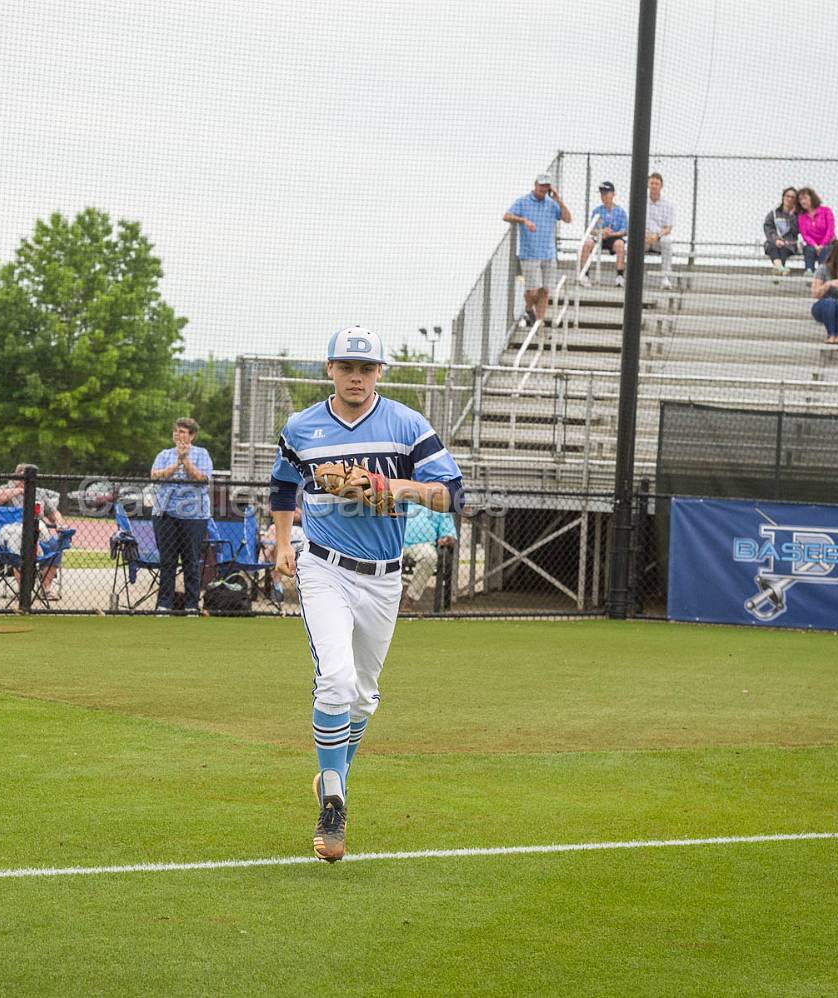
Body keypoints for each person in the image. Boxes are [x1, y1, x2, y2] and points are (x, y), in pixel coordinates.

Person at [268, 325, 463, 863]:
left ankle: (333, 775)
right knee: (335, 679)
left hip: (382, 576)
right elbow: (284, 485)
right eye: (346, 367)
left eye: (367, 368)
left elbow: (453, 496)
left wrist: (394, 488)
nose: (357, 377)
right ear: (329, 369)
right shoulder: (302, 427)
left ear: (380, 372)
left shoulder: (406, 424)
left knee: (363, 697)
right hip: (323, 567)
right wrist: (284, 541)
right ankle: (334, 803)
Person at [149, 417, 213, 614]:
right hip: (166, 514)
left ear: (192, 435)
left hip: (194, 516)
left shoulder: (202, 454)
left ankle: (192, 605)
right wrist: (177, 462)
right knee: (167, 561)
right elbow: (155, 475)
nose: (178, 435)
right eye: (176, 431)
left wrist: (186, 461)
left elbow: (202, 479)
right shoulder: (164, 454)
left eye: (183, 432)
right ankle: (164, 605)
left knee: (191, 561)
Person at [0, 463, 66, 600]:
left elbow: (53, 512)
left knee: (55, 545)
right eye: (22, 476)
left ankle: (46, 588)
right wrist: (19, 490)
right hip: (14, 533)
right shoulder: (6, 489)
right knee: (20, 545)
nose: (25, 479)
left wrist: (60, 523)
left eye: (27, 477)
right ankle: (24, 590)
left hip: (39, 533)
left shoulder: (39, 492)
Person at [503, 173, 572, 326]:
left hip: (548, 253)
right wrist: (523, 220)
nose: (543, 188)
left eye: (546, 186)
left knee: (545, 290)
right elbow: (506, 216)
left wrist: (559, 200)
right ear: (535, 185)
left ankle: (538, 323)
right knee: (533, 291)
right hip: (530, 254)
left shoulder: (552, 204)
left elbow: (568, 219)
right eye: (541, 185)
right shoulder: (523, 202)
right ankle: (528, 308)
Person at [400, 503, 457, 613]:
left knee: (430, 556)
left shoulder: (437, 504)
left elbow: (450, 534)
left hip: (421, 546)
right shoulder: (400, 497)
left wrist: (447, 538)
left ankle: (409, 599)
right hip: (393, 543)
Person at [578, 182, 628, 287]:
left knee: (620, 245)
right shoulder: (597, 211)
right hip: (600, 238)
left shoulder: (620, 211)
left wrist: (611, 233)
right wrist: (601, 232)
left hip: (614, 239)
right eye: (602, 193)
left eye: (606, 193)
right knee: (587, 243)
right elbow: (591, 229)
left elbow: (624, 231)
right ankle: (585, 275)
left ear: (613, 194)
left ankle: (619, 276)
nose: (603, 196)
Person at [644, 172, 676, 289]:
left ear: (661, 186)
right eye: (652, 183)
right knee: (634, 241)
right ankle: (633, 279)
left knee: (667, 241)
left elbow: (668, 228)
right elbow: (635, 223)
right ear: (648, 185)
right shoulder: (640, 202)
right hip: (645, 240)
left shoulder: (668, 205)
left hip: (658, 240)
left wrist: (656, 235)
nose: (654, 186)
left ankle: (665, 279)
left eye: (657, 184)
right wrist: (646, 235)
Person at [796, 187, 836, 274]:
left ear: (812, 198)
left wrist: (822, 245)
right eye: (800, 199)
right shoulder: (801, 216)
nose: (802, 201)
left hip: (827, 243)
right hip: (812, 245)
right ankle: (809, 271)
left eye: (805, 198)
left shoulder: (826, 211)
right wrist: (815, 245)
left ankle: (823, 273)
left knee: (825, 250)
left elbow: (830, 230)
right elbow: (805, 234)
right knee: (808, 249)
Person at [763, 187, 803, 274]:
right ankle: (780, 267)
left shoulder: (798, 215)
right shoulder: (774, 213)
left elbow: (797, 231)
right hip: (774, 242)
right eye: (787, 196)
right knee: (772, 245)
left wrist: (792, 216)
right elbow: (768, 228)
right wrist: (776, 239)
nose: (789, 199)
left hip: (790, 244)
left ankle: (778, 268)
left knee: (782, 248)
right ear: (783, 197)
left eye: (792, 197)